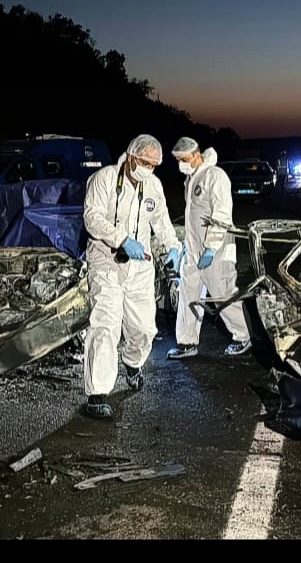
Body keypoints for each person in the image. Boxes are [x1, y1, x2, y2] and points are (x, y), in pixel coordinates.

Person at [80, 134, 181, 419]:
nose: (147, 168)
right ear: (131, 156)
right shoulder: (104, 179)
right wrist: (121, 239)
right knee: (105, 325)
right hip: (106, 262)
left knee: (144, 328)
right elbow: (92, 217)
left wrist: (173, 246)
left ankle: (132, 363)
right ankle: (97, 394)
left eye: (153, 164)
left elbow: (161, 221)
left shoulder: (153, 186)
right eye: (144, 162)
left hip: (140, 267)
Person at [166, 137, 253, 359]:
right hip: (194, 249)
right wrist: (187, 247)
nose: (180, 164)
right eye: (178, 160)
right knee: (188, 293)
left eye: (183, 159)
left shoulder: (215, 176)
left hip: (217, 249)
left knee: (223, 293)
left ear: (196, 155)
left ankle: (243, 336)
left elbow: (222, 214)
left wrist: (211, 248)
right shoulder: (192, 178)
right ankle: (187, 342)